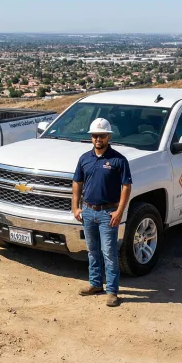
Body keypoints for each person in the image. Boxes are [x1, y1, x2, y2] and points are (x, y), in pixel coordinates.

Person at [72, 118, 132, 307]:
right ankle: (95, 284)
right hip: (88, 211)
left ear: (108, 137)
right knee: (92, 251)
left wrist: (119, 211)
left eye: (102, 135)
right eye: (95, 135)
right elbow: (77, 183)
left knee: (109, 252)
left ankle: (112, 291)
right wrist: (75, 207)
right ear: (91, 137)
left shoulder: (118, 160)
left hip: (108, 213)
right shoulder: (84, 159)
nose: (98, 139)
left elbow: (126, 187)